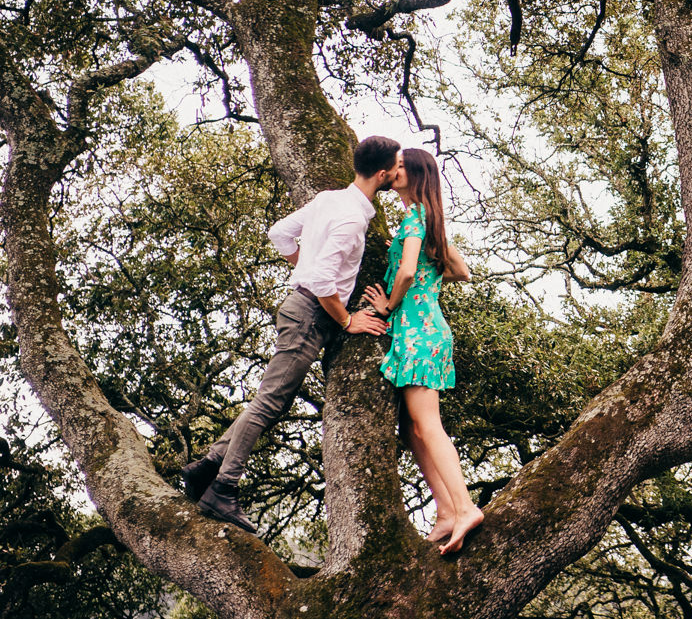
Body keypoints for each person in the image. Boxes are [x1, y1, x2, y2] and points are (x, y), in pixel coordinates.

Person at [180, 136, 398, 533]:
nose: (400, 173)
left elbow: (280, 233)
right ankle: (223, 488)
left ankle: (208, 466)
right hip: (311, 315)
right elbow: (319, 279)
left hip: (301, 308)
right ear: (383, 174)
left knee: (272, 402)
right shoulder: (351, 219)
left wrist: (305, 266)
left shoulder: (331, 199)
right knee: (269, 403)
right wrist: (347, 320)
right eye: (397, 167)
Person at [362, 147, 480, 554]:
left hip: (418, 331)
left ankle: (465, 507)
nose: (394, 171)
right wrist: (434, 268)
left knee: (427, 426)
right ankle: (447, 512)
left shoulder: (416, 218)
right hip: (422, 331)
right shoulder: (427, 220)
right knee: (413, 431)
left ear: (414, 173)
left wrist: (389, 305)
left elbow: (409, 271)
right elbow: (462, 271)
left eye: (400, 167)